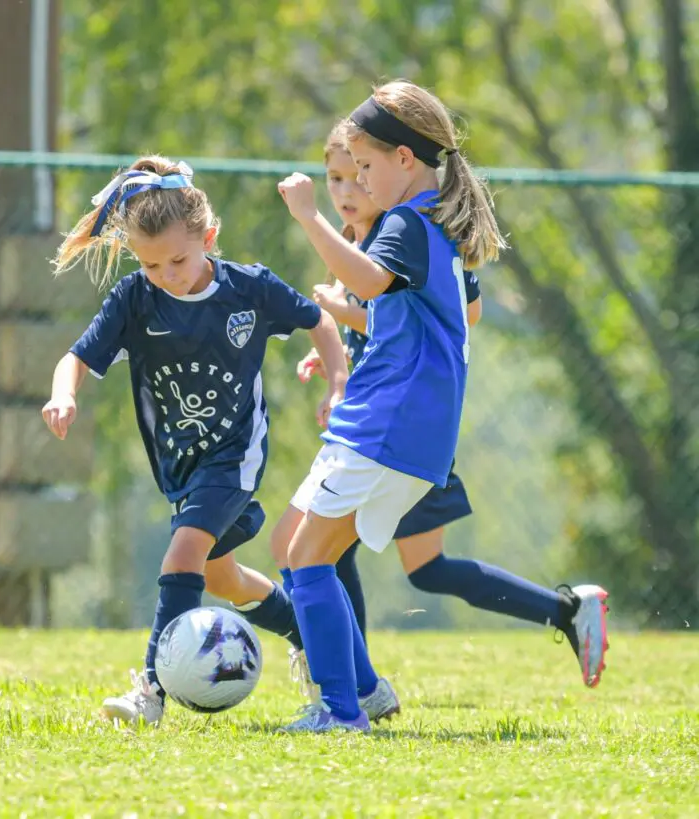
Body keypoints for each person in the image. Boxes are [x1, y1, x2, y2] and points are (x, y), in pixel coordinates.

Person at [276, 80, 605, 733]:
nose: (359, 181)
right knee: (312, 553)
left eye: (366, 166)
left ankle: (344, 710)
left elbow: (371, 283)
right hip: (404, 426)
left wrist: (309, 216)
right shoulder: (431, 220)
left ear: (405, 159)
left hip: (387, 422)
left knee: (307, 558)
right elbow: (410, 311)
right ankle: (356, 694)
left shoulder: (406, 220)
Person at [42, 155, 349, 726]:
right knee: (219, 576)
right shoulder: (136, 298)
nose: (169, 275)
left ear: (208, 237)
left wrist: (337, 382)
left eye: (179, 259)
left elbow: (320, 321)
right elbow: (76, 357)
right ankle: (315, 639)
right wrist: (65, 394)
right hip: (181, 467)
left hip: (235, 454)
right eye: (152, 264)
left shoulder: (248, 289)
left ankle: (152, 692)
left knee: (182, 555)